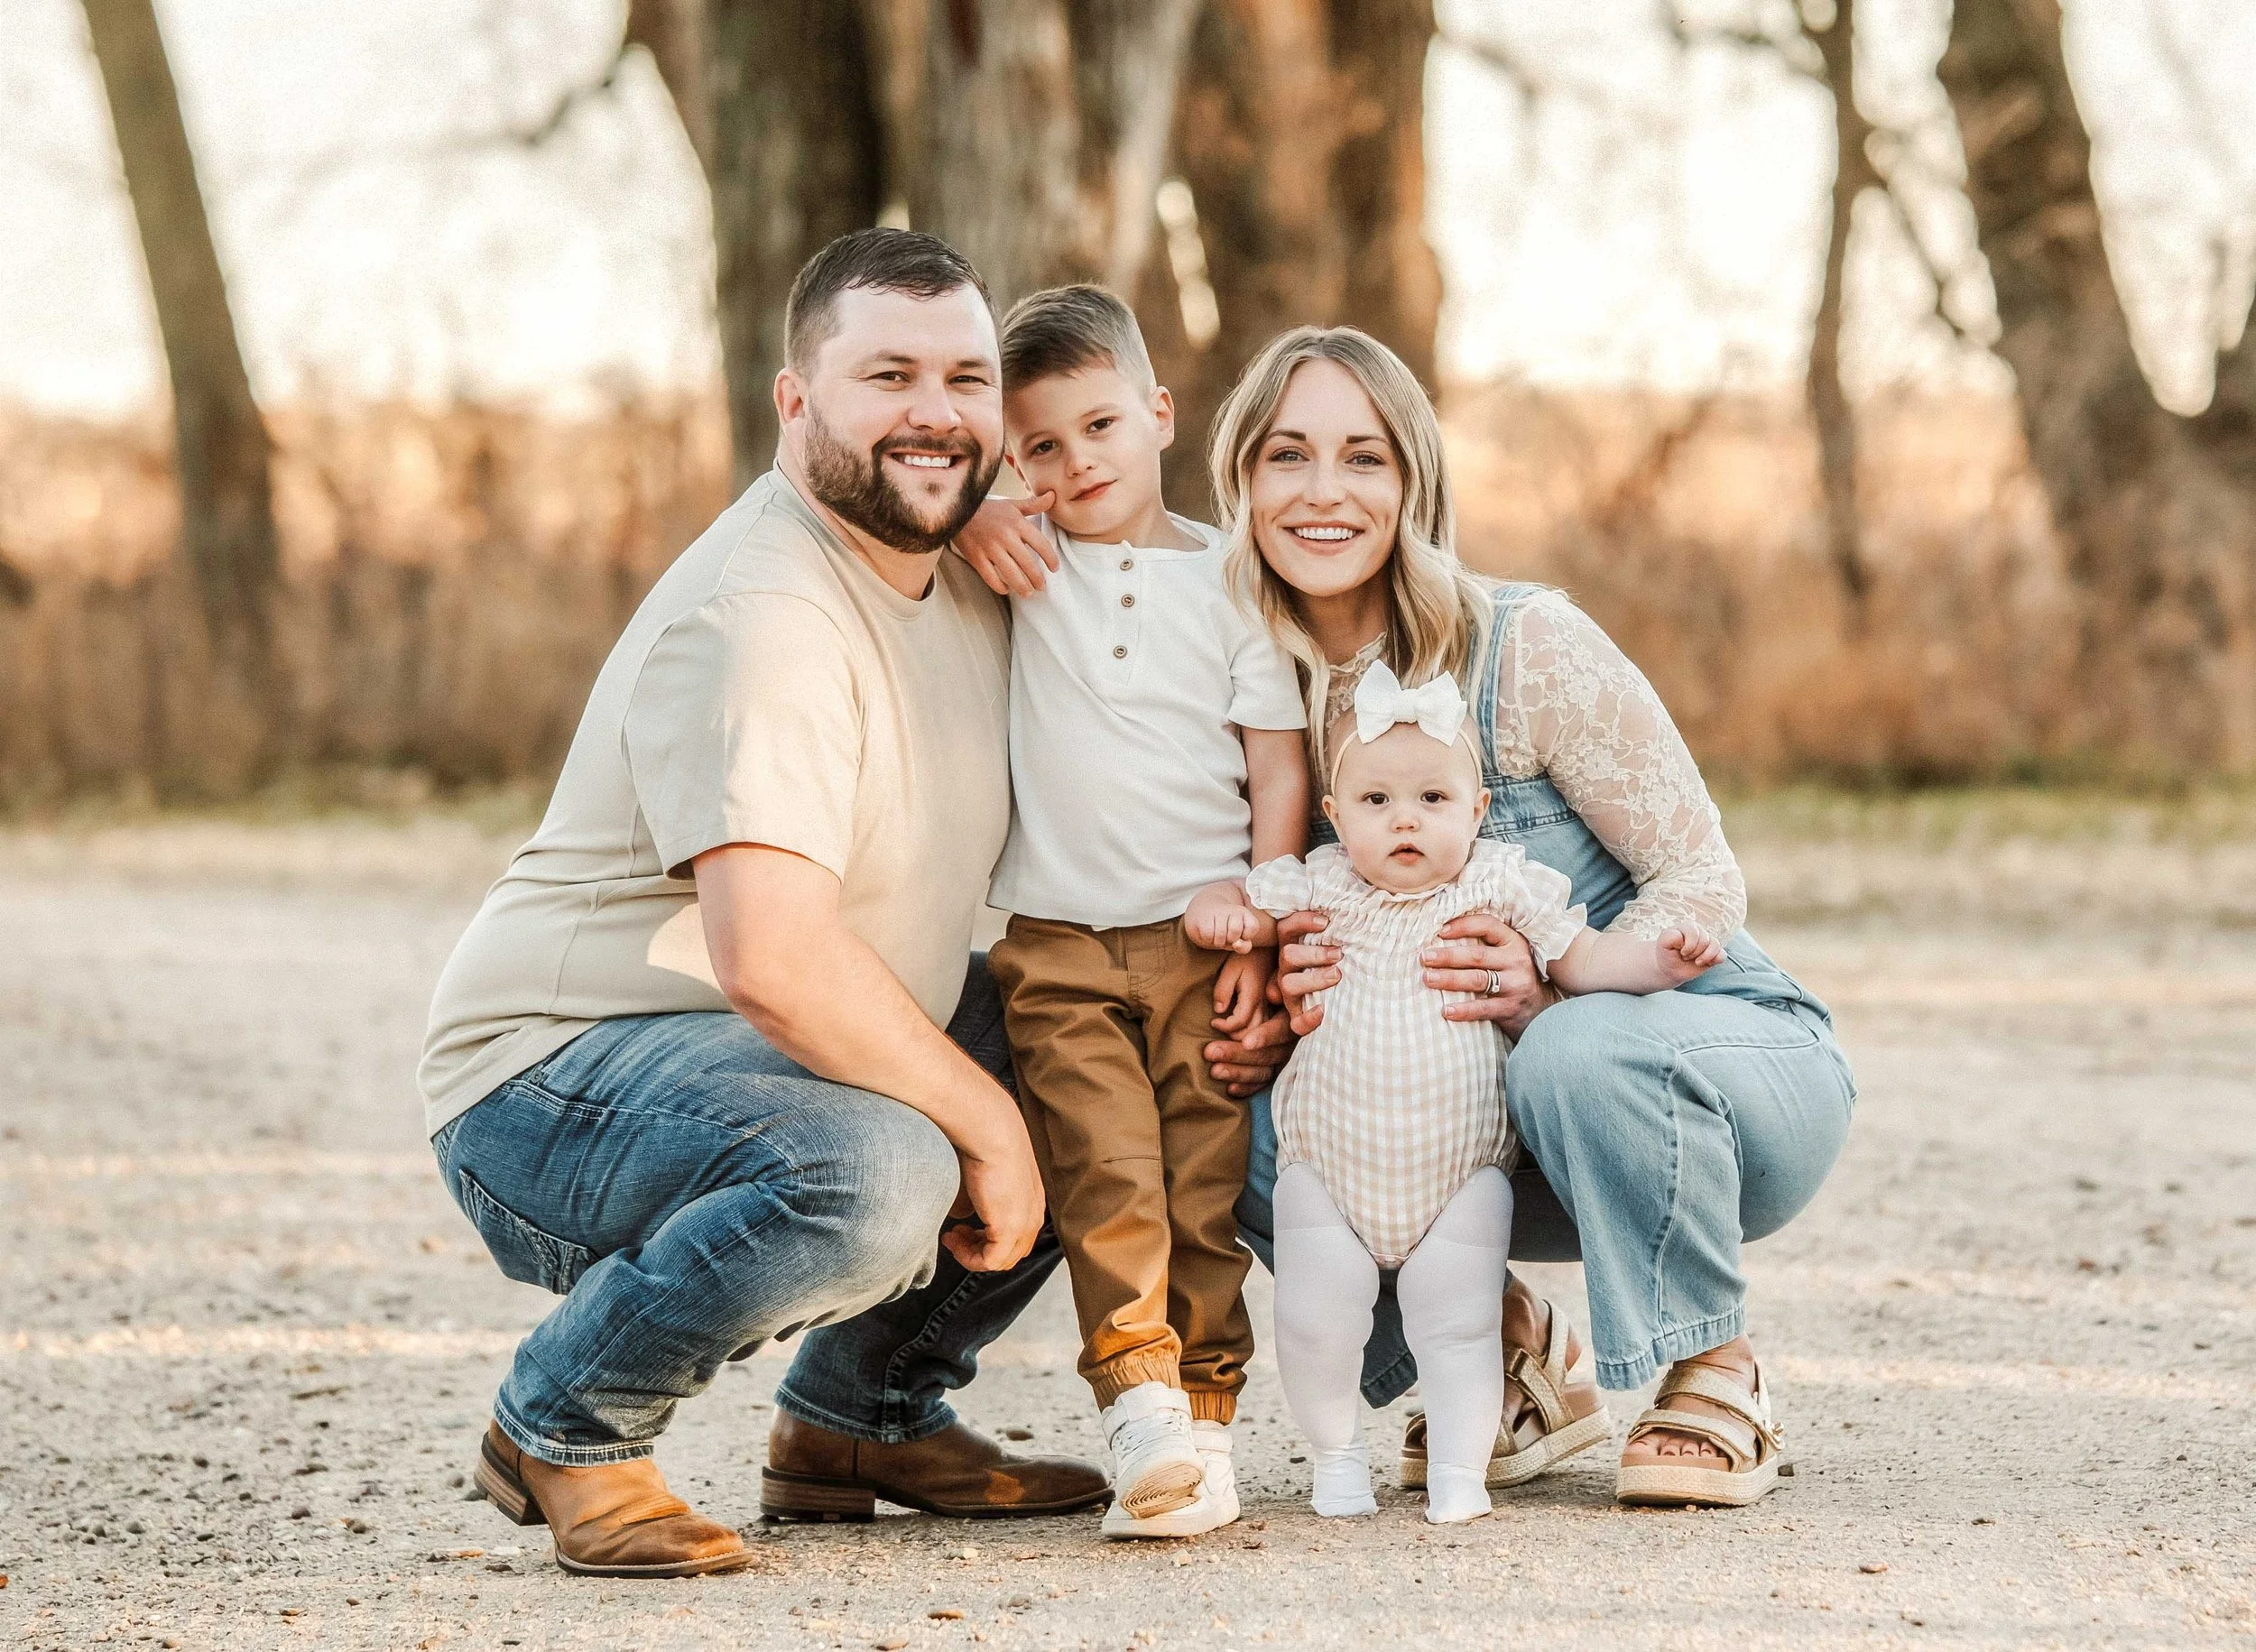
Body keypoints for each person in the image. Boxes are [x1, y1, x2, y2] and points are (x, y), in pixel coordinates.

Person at [416, 229, 1114, 1579]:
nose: (936, 412)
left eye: (967, 379)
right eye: (887, 375)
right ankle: (568, 1421)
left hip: (749, 1051)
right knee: (877, 1170)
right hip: (552, 1079)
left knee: (1100, 1034)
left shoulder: (952, 558)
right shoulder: (763, 616)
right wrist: (992, 1126)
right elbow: (778, 963)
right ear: (796, 402)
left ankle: (860, 1420)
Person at [1213, 324, 1857, 1510]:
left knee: (1574, 1044)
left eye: (1364, 457)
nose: (1320, 491)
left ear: (1417, 482)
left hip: (1704, 1078)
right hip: (1482, 1132)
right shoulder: (1251, 696)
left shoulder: (1523, 646)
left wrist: (1557, 984)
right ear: (1238, 480)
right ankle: (1509, 1352)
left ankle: (1715, 1363)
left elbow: (1703, 884)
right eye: (1285, 455)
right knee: (1220, 1096)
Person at [1195, 661, 1721, 1522]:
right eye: (1377, 802)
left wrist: (1656, 959)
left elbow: (1580, 961)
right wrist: (1220, 904)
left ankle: (1460, 1477)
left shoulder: (1497, 882)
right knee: (1315, 1322)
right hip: (1326, 1172)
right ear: (1334, 815)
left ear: (1476, 813)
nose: (1406, 818)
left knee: (1460, 1327)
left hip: (1461, 1177)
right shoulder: (1319, 881)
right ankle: (1335, 1462)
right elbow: (1249, 906)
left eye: (1434, 799)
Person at [959, 284, 1306, 1539]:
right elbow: (911, 532)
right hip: (1054, 940)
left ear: (1159, 414)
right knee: (1107, 1178)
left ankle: (1205, 1425)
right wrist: (972, 520)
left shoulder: (1232, 576)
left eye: (1100, 426)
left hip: (1199, 942)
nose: (1075, 462)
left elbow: (1277, 767)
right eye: (1039, 445)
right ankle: (1139, 1412)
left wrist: (1266, 922)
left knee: (1204, 1191)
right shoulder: (1017, 562)